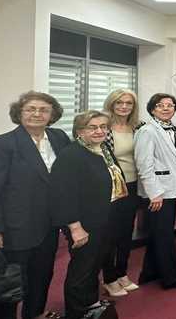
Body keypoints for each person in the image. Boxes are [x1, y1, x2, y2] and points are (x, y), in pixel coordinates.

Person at [0, 91, 70, 319]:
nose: (37, 114)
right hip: (13, 229)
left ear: (52, 115)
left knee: (42, 277)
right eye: (31, 109)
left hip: (48, 226)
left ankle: (35, 314)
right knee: (9, 284)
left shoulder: (59, 138)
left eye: (44, 110)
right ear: (19, 113)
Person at [50, 111, 121, 319]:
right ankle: (77, 312)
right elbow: (64, 194)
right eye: (92, 127)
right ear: (79, 131)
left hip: (104, 218)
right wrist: (75, 227)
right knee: (81, 271)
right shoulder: (71, 155)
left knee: (93, 266)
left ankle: (91, 305)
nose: (99, 131)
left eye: (103, 126)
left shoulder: (103, 149)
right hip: (83, 223)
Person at [134, 94, 176, 290]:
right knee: (164, 236)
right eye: (161, 106)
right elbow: (144, 164)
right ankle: (171, 278)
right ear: (152, 109)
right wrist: (154, 193)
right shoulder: (147, 131)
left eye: (170, 105)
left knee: (158, 234)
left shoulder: (171, 128)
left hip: (171, 188)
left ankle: (149, 273)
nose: (167, 108)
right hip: (159, 192)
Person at [100, 89, 142, 297]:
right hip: (111, 187)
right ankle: (109, 278)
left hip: (133, 185)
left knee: (126, 232)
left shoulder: (137, 127)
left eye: (128, 103)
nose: (124, 107)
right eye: (119, 103)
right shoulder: (103, 127)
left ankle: (122, 273)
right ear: (112, 104)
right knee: (110, 235)